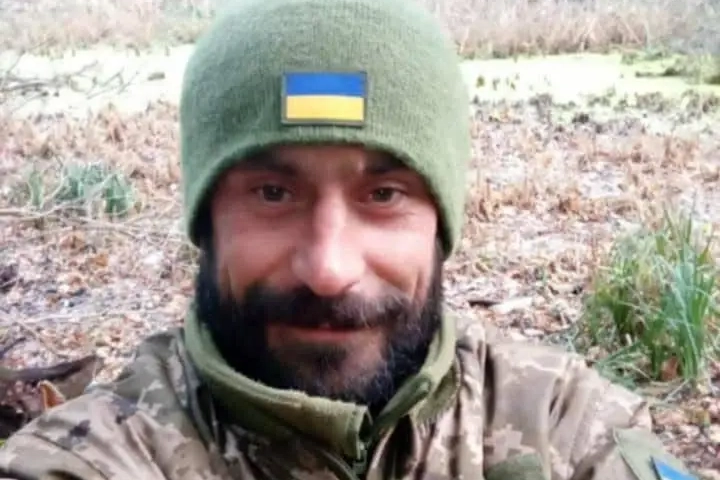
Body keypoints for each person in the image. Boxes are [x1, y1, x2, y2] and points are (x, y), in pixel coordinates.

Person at [0, 0, 699, 479]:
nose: (329, 269)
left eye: (383, 195)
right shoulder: (99, 454)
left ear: (440, 221)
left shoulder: (559, 422)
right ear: (206, 218)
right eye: (273, 194)